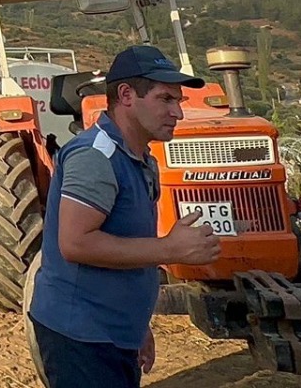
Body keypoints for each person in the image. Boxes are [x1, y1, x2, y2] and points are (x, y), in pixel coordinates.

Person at [28, 45, 218, 387]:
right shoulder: (94, 157)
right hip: (82, 335)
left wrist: (137, 323)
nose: (178, 112)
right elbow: (75, 243)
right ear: (126, 95)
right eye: (165, 99)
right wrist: (170, 250)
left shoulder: (142, 158)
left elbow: (127, 242)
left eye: (179, 101)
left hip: (112, 331)